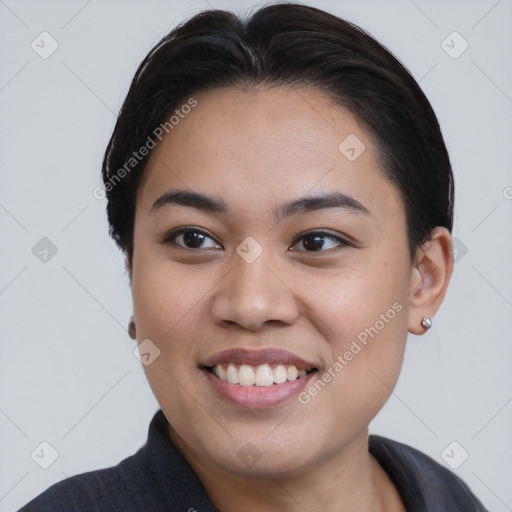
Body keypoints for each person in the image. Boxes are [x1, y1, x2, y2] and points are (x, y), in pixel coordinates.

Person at [19, 3, 488, 511]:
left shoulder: (442, 497)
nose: (251, 303)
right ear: (132, 267)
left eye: (317, 241)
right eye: (194, 239)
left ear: (424, 280)